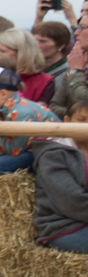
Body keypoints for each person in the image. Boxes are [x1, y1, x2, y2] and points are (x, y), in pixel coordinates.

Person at [33, 99, 88, 253]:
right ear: (67, 121)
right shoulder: (53, 155)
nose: (86, 126)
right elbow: (72, 202)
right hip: (64, 226)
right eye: (81, 120)